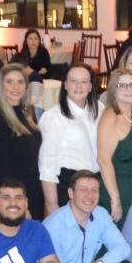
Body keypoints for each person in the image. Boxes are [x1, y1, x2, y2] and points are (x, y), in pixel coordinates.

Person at [0, 64, 47, 219]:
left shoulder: (27, 112)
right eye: (9, 82)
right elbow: (2, 168)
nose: (16, 87)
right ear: (1, 86)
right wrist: (19, 203)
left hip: (34, 191)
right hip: (16, 197)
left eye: (20, 82)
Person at [38, 63, 99, 211]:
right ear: (65, 84)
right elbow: (47, 167)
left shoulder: (99, 109)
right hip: (70, 185)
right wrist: (53, 206)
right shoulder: (54, 117)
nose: (78, 86)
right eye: (73, 81)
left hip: (95, 184)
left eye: (84, 82)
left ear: (90, 86)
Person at [95, 70, 132, 228]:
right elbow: (103, 160)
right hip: (120, 191)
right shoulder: (110, 118)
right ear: (113, 90)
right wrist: (115, 200)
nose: (129, 89)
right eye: (122, 86)